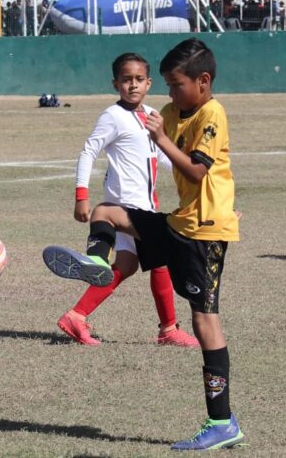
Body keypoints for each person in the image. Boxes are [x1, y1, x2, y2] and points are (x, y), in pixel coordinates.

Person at [42, 38, 245, 451]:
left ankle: (221, 421)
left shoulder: (212, 113)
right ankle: (97, 262)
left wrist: (162, 139)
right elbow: (167, 154)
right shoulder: (167, 113)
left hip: (204, 233)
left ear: (203, 82)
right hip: (177, 223)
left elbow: (196, 170)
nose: (168, 94)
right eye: (167, 85)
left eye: (175, 85)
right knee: (106, 211)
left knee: (206, 322)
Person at [57, 52, 201, 348]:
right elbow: (88, 151)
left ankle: (77, 315)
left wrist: (194, 175)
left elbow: (161, 157)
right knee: (162, 259)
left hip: (144, 205)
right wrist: (81, 196)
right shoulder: (113, 116)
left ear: (149, 83)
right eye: (126, 80)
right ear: (115, 84)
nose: (132, 85)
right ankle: (169, 329)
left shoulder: (150, 116)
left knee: (127, 265)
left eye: (138, 79)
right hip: (126, 206)